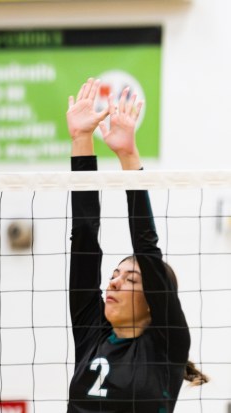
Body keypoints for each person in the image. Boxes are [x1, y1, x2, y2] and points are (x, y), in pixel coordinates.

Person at [66, 78, 208, 412]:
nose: (113, 281)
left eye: (130, 279)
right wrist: (81, 139)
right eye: (116, 275)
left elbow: (147, 247)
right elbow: (84, 236)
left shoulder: (167, 344)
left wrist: (129, 156)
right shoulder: (92, 333)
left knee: (145, 251)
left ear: (154, 302)